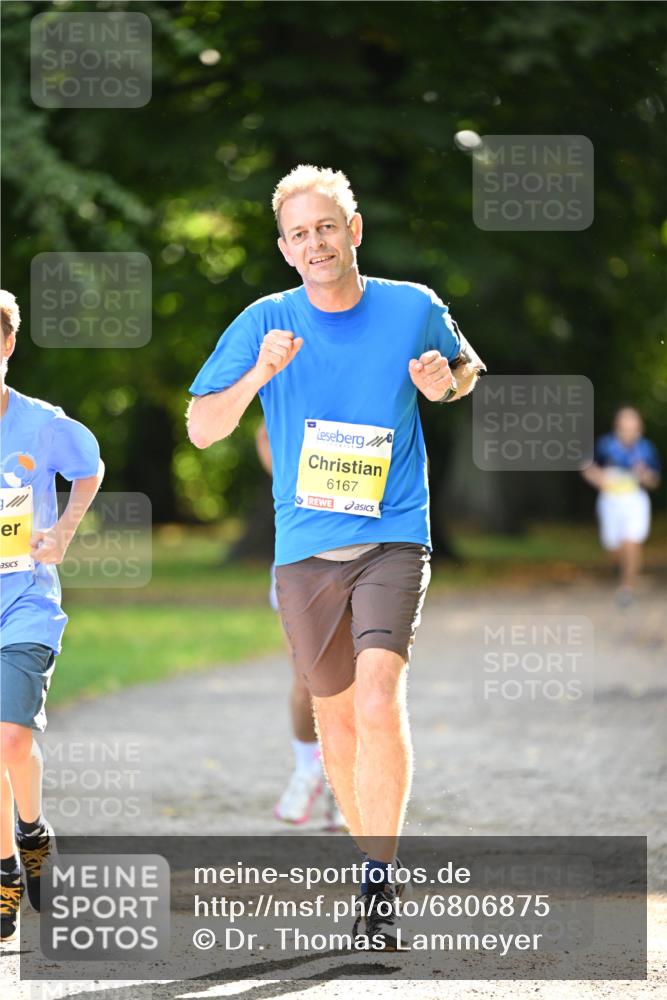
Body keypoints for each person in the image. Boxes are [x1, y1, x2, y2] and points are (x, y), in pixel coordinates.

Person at [187, 165, 485, 949]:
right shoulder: (263, 320)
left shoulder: (411, 306)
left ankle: (379, 890)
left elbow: (464, 370)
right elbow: (201, 429)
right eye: (299, 234)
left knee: (381, 701)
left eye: (327, 227)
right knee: (339, 723)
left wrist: (440, 381)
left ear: (353, 231)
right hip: (307, 550)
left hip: (393, 532)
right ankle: (367, 866)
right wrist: (259, 373)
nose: (315, 243)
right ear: (284, 250)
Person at [0, 290, 104, 943]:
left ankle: (31, 831)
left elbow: (88, 469)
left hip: (25, 600)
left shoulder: (41, 423)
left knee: (9, 738)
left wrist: (63, 532)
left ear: (6, 346)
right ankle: (5, 870)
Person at [255, 421, 345, 830]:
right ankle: (308, 768)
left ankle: (344, 782)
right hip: (299, 562)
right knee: (307, 677)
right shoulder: (296, 390)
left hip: (370, 557)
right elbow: (263, 434)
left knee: (358, 680)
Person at [582, 406, 661, 604]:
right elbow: (587, 467)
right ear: (618, 425)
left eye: (633, 423)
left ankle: (627, 588)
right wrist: (598, 478)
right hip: (610, 500)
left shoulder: (646, 449)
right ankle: (619, 564)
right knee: (614, 546)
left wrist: (646, 476)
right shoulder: (605, 445)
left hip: (635, 500)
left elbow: (655, 480)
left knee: (631, 541)